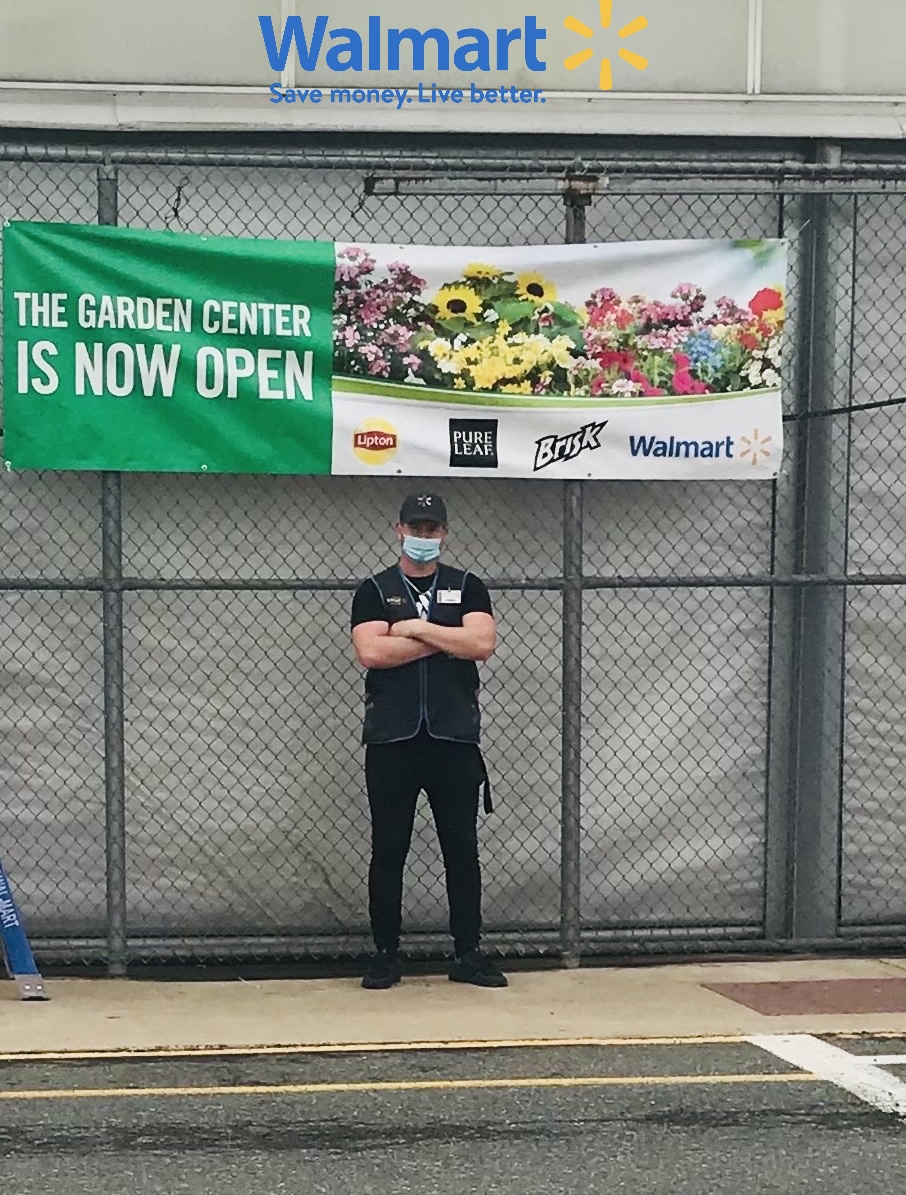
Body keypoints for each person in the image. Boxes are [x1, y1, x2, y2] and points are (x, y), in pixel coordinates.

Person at [350, 492, 507, 990]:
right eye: (415, 528)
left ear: (444, 533)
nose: (423, 537)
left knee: (460, 848)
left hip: (452, 737)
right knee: (388, 848)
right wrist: (444, 640)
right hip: (392, 739)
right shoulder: (375, 590)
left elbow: (481, 643)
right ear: (398, 529)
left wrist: (417, 629)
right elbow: (371, 652)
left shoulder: (468, 586)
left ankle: (468, 953)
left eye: (431, 529)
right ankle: (385, 953)